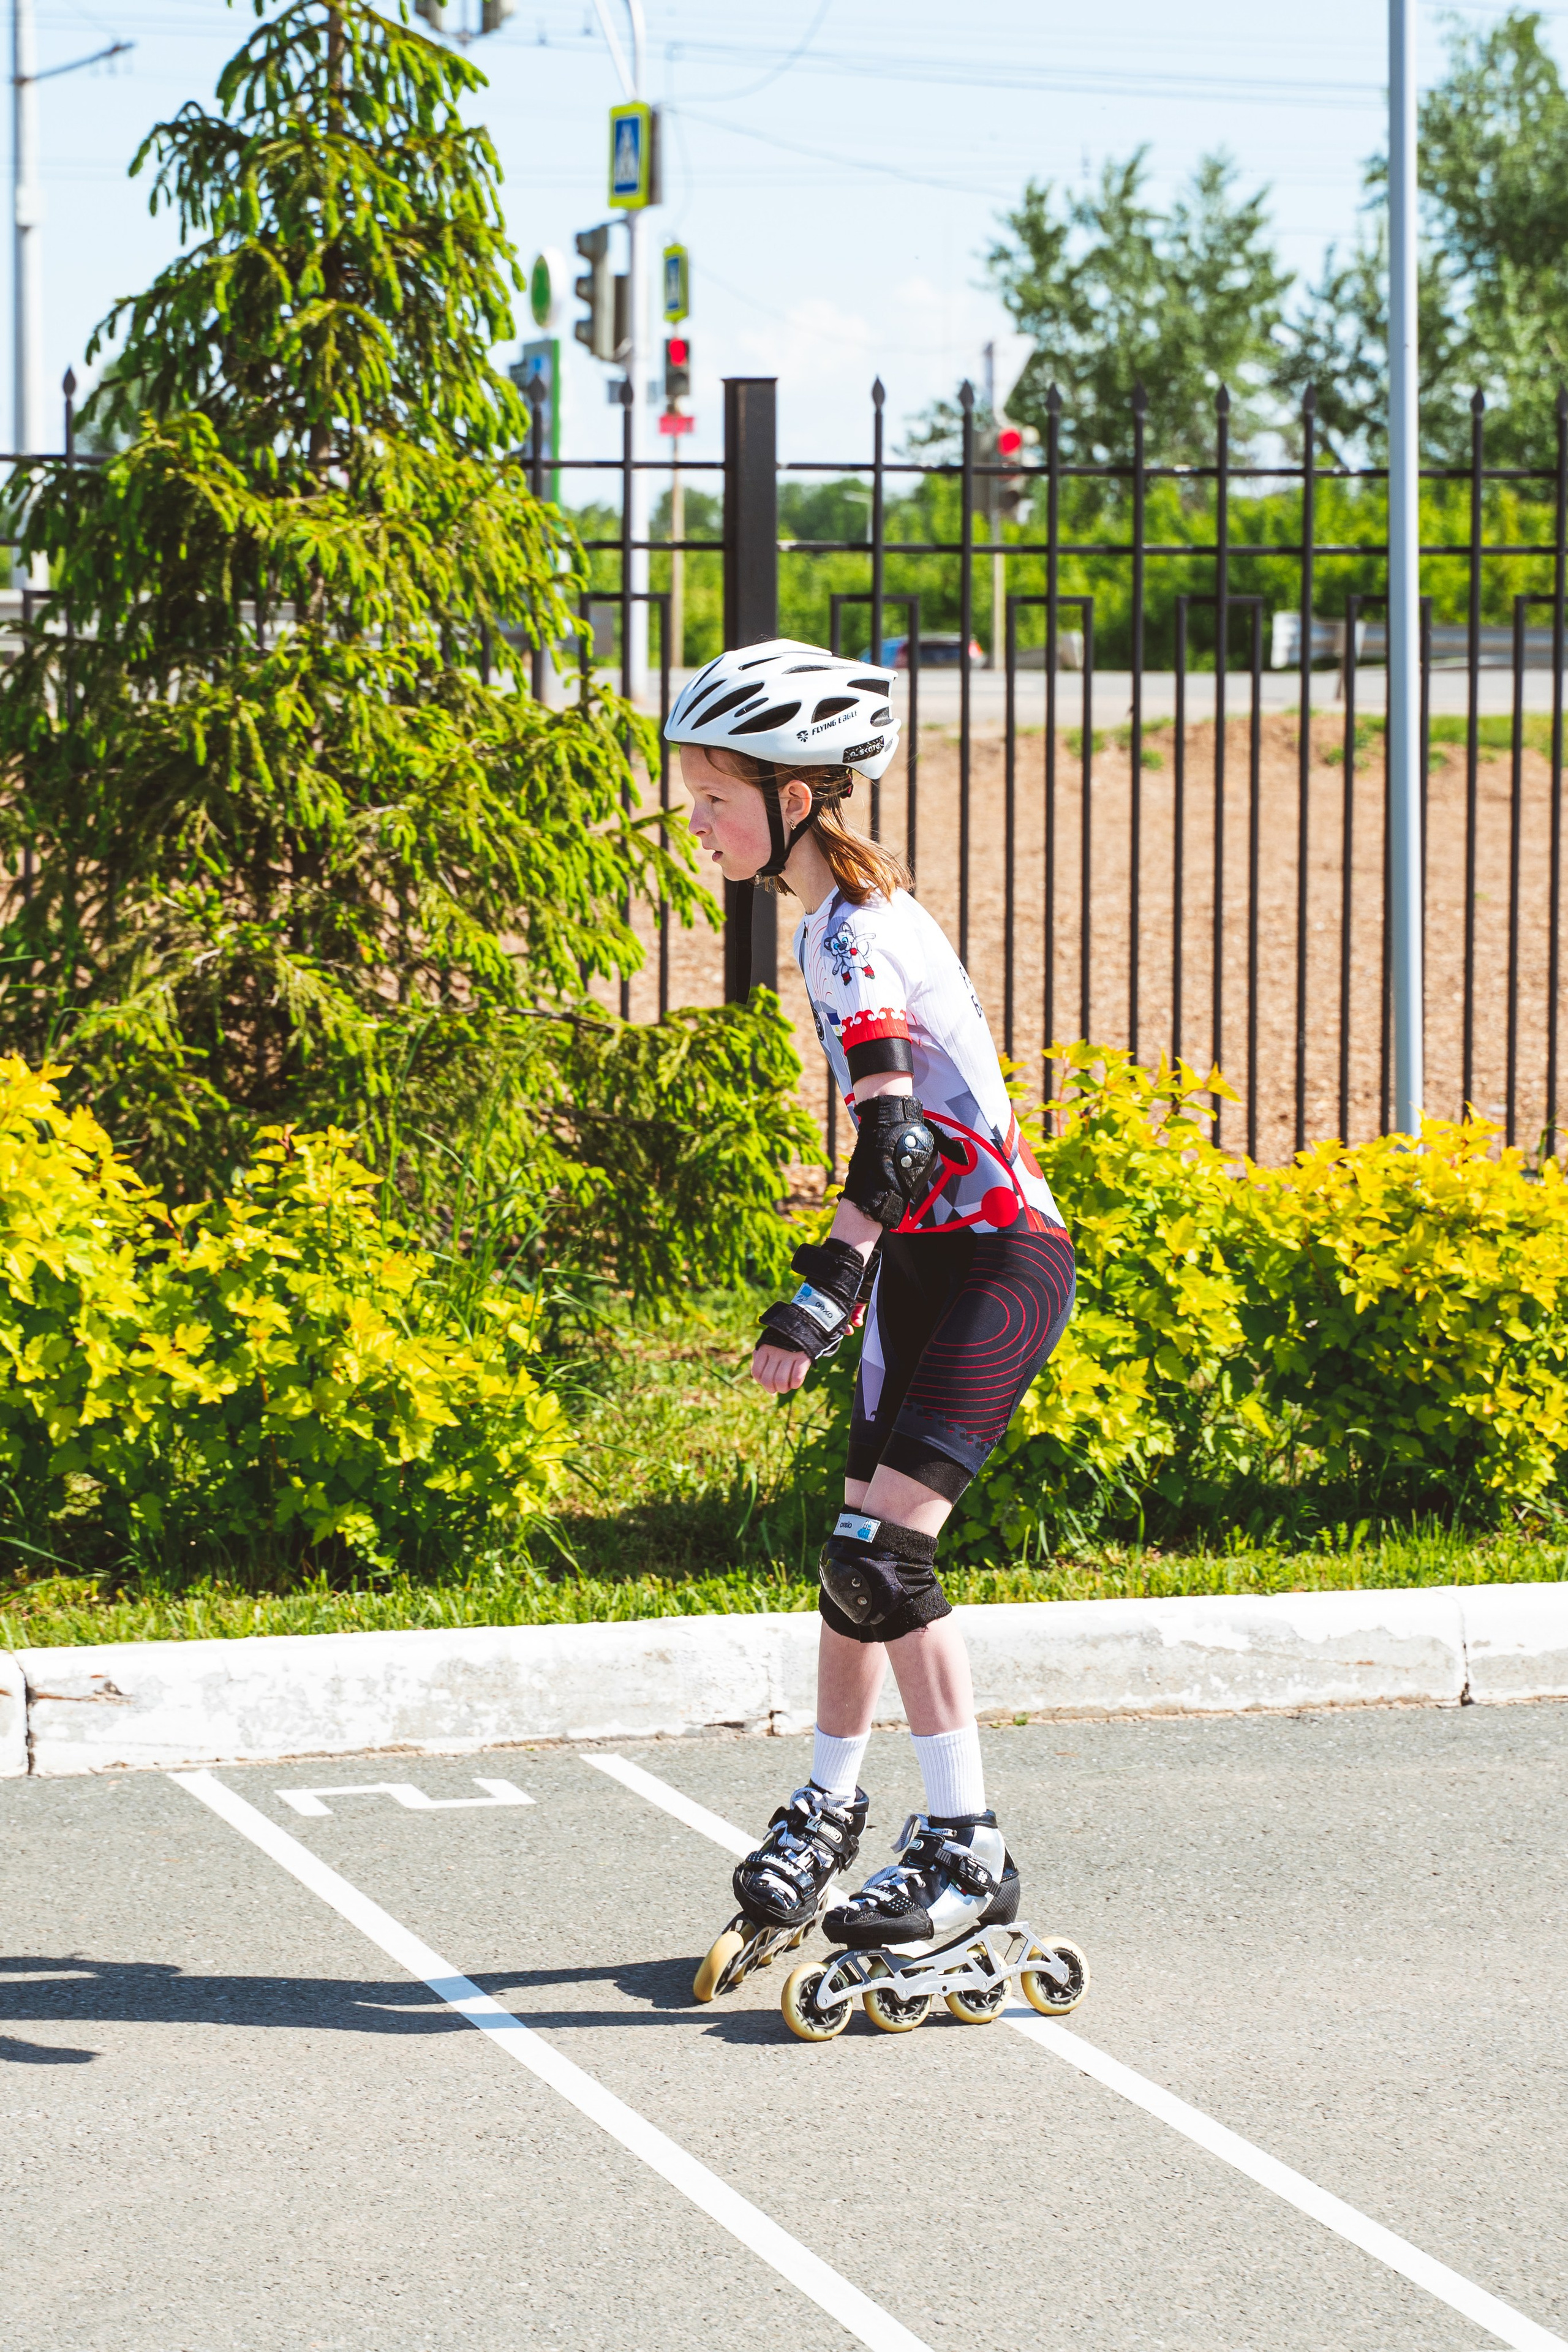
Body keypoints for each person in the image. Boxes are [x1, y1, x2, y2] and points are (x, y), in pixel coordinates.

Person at [666, 639, 1076, 1966]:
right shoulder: (831, 919)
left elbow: (896, 1145)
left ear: (795, 795)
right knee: (852, 1560)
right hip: (933, 1266)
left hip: (998, 1261)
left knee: (881, 1556)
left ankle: (966, 1852)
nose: (695, 822)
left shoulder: (851, 930)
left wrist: (819, 1285)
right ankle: (831, 1805)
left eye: (713, 799)